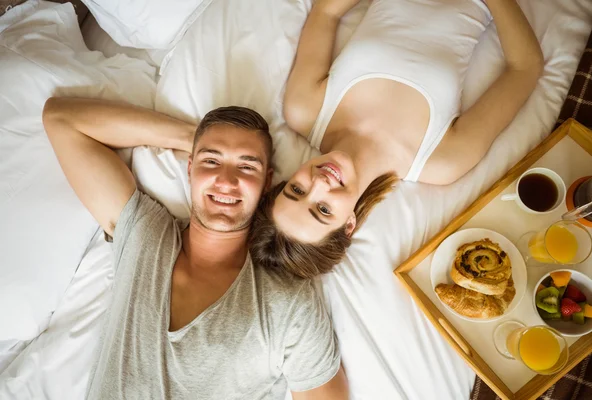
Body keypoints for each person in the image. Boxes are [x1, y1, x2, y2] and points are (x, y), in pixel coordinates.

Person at [42, 98, 348, 399]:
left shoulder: (288, 303)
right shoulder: (145, 234)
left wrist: (205, 148)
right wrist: (191, 136)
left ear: (267, 182)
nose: (227, 181)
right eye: (211, 162)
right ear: (190, 168)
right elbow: (61, 118)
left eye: (247, 166)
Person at [250, 0, 544, 279]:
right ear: (349, 224)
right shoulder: (440, 162)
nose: (319, 184)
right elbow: (525, 67)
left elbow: (327, 12)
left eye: (297, 189)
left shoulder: (304, 109)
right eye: (323, 210)